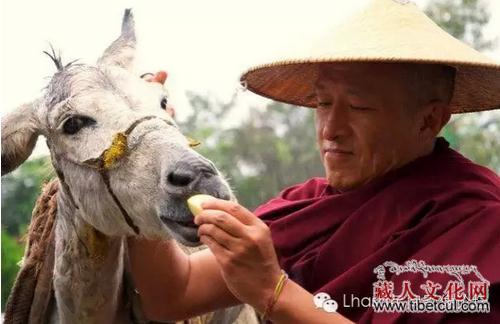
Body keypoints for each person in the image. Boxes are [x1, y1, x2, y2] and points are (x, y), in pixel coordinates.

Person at [128, 0, 500, 322]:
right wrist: (145, 154)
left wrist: (275, 292)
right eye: (322, 104)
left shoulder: (477, 219)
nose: (331, 129)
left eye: (359, 106)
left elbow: (267, 289)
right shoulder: (308, 207)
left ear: (429, 120)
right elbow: (174, 295)